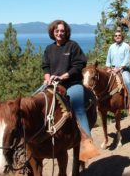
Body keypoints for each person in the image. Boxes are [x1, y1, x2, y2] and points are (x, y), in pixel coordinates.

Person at [41, 20, 99, 162]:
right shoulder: (49, 49)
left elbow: (79, 65)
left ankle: (87, 141)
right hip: (53, 84)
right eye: (57, 31)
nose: (60, 33)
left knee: (77, 104)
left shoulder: (72, 46)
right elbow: (46, 67)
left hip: (72, 83)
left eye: (62, 31)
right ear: (52, 32)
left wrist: (62, 76)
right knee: (37, 100)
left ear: (66, 32)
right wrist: (48, 79)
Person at [106, 29, 130, 115]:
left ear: (122, 37)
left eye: (119, 35)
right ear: (114, 37)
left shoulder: (126, 46)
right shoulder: (111, 47)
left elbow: (127, 60)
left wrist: (120, 68)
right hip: (113, 69)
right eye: (116, 35)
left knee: (128, 81)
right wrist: (108, 68)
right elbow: (108, 59)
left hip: (124, 70)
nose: (117, 37)